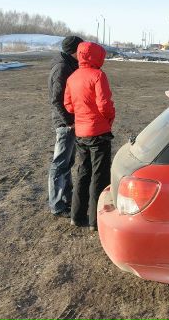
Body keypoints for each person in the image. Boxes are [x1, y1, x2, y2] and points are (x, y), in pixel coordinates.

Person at [64, 41, 116, 231]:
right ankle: (96, 220)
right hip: (99, 132)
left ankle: (76, 216)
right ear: (96, 56)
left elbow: (68, 105)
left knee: (82, 173)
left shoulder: (72, 77)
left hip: (81, 132)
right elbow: (104, 105)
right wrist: (110, 117)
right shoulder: (98, 75)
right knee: (100, 177)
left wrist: (81, 113)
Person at [47, 35, 83, 218]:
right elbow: (56, 99)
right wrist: (68, 122)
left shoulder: (68, 64)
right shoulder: (62, 67)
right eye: (81, 49)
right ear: (74, 51)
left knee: (67, 162)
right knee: (60, 164)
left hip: (70, 122)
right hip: (65, 124)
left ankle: (67, 198)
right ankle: (56, 204)